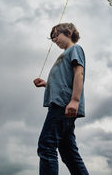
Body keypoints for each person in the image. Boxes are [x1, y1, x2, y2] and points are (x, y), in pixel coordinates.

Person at [33, 22, 89, 175]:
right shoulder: (64, 54)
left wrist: (75, 101)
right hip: (63, 104)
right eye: (52, 38)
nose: (54, 39)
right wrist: (46, 84)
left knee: (46, 145)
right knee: (68, 152)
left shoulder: (75, 49)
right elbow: (62, 82)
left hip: (63, 105)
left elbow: (79, 73)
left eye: (56, 35)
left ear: (69, 32)